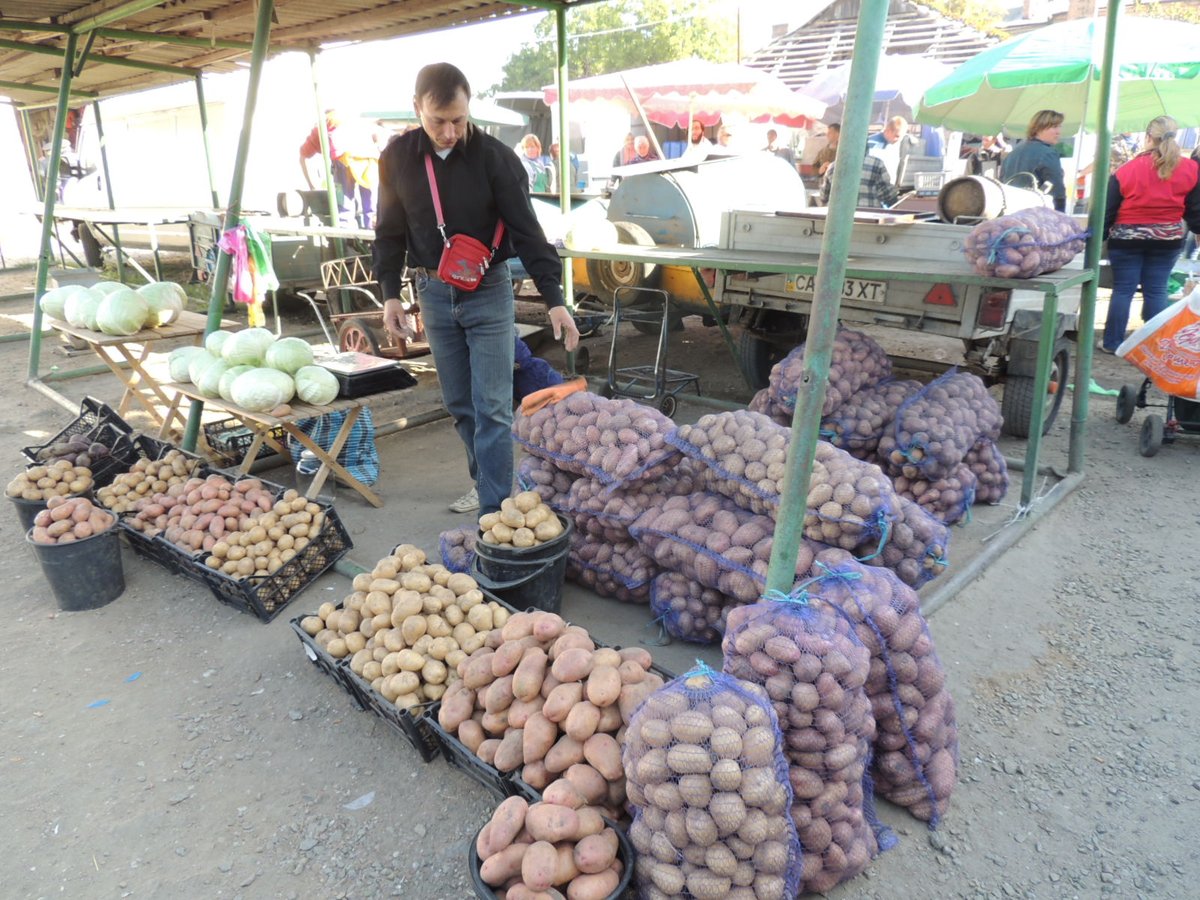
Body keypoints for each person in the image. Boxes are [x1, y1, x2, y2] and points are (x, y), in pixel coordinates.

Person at [374, 63, 580, 515]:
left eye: (459, 120)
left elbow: (529, 231)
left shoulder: (496, 158)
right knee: (460, 405)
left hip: (488, 290)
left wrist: (555, 301)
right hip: (432, 291)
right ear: (417, 109)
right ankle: (486, 480)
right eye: (437, 121)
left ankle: (495, 517)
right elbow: (388, 232)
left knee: (491, 407)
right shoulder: (397, 158)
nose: (449, 132)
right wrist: (390, 293)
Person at [1100, 115, 1200, 353]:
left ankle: (1112, 343)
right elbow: (1195, 208)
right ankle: (1156, 344)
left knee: (1123, 290)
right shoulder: (1191, 169)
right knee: (1156, 290)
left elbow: (1108, 211)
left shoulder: (1126, 170)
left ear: (1148, 138)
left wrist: (1098, 237)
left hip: (1126, 240)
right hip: (1167, 239)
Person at [1000, 110, 1066, 212]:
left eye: (1059, 126)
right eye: (1054, 127)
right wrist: (1061, 215)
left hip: (1010, 212)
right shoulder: (1048, 153)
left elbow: (1002, 184)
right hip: (1036, 215)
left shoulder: (1012, 154)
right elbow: (1057, 191)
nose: (1058, 132)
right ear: (1039, 128)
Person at [819, 153, 899, 209]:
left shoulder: (833, 166)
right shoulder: (877, 163)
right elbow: (887, 195)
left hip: (837, 221)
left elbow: (824, 197)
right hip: (869, 219)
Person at [866, 116, 908, 184]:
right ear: (888, 131)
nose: (899, 140)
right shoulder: (871, 144)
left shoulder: (895, 145)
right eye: (897, 136)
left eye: (902, 137)